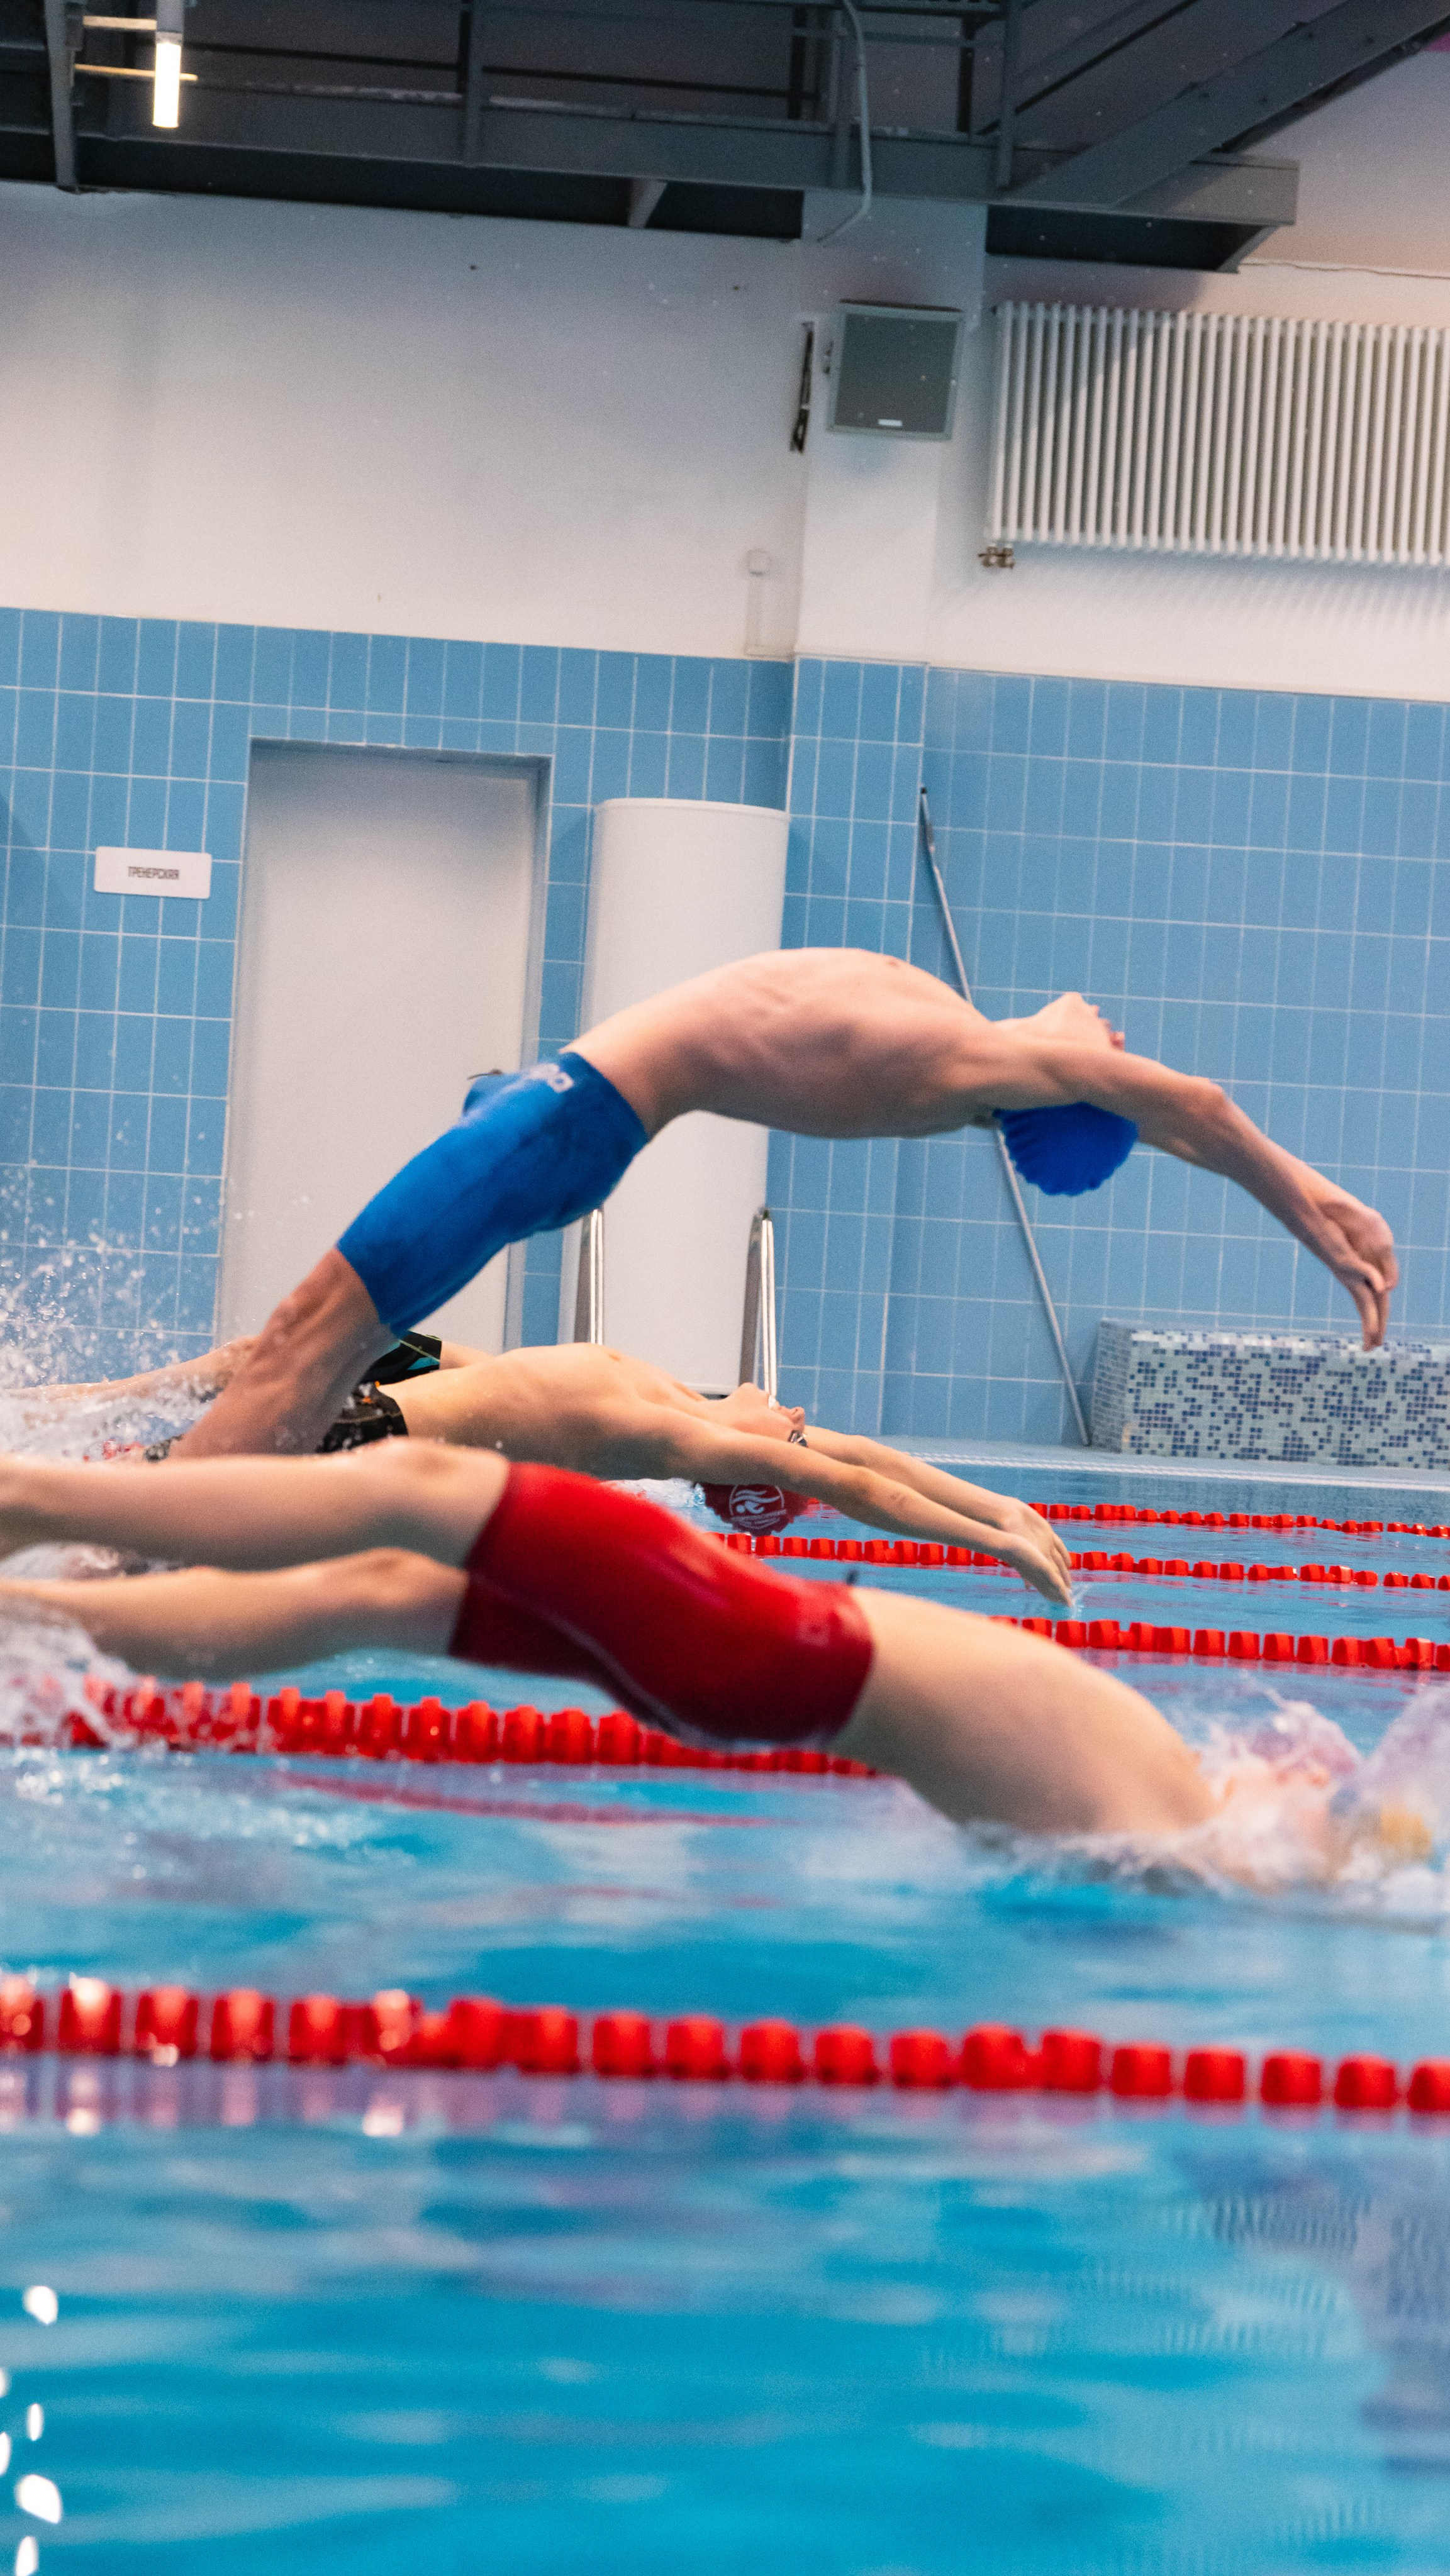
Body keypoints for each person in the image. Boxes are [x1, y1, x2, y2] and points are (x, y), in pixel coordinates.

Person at [167, 951, 1398, 1462]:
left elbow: (1189, 1101)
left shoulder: (965, 1062)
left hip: (560, 1122)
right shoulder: (949, 1019)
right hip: (557, 1116)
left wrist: (1308, 1204)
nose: (1111, 1025)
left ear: (1059, 1090)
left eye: (1104, 1058)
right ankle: (139, 1517)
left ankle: (116, 1559)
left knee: (303, 1343)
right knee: (308, 1353)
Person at [0, 1440, 1211, 1838]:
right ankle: (23, 1623)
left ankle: (27, 1496)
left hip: (779, 1651)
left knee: (417, 1487)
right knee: (376, 1587)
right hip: (764, 1677)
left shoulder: (1187, 1836)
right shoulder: (1177, 1811)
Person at [35, 1331, 1075, 1605]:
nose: (800, 1414)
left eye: (786, 1437)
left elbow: (855, 1486)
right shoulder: (673, 1394)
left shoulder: (669, 1437)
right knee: (242, 1362)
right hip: (398, 1390)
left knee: (122, 1534)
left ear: (750, 1465)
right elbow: (854, 1455)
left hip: (355, 1446)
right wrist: (1010, 1508)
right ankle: (56, 1413)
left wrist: (990, 1551)